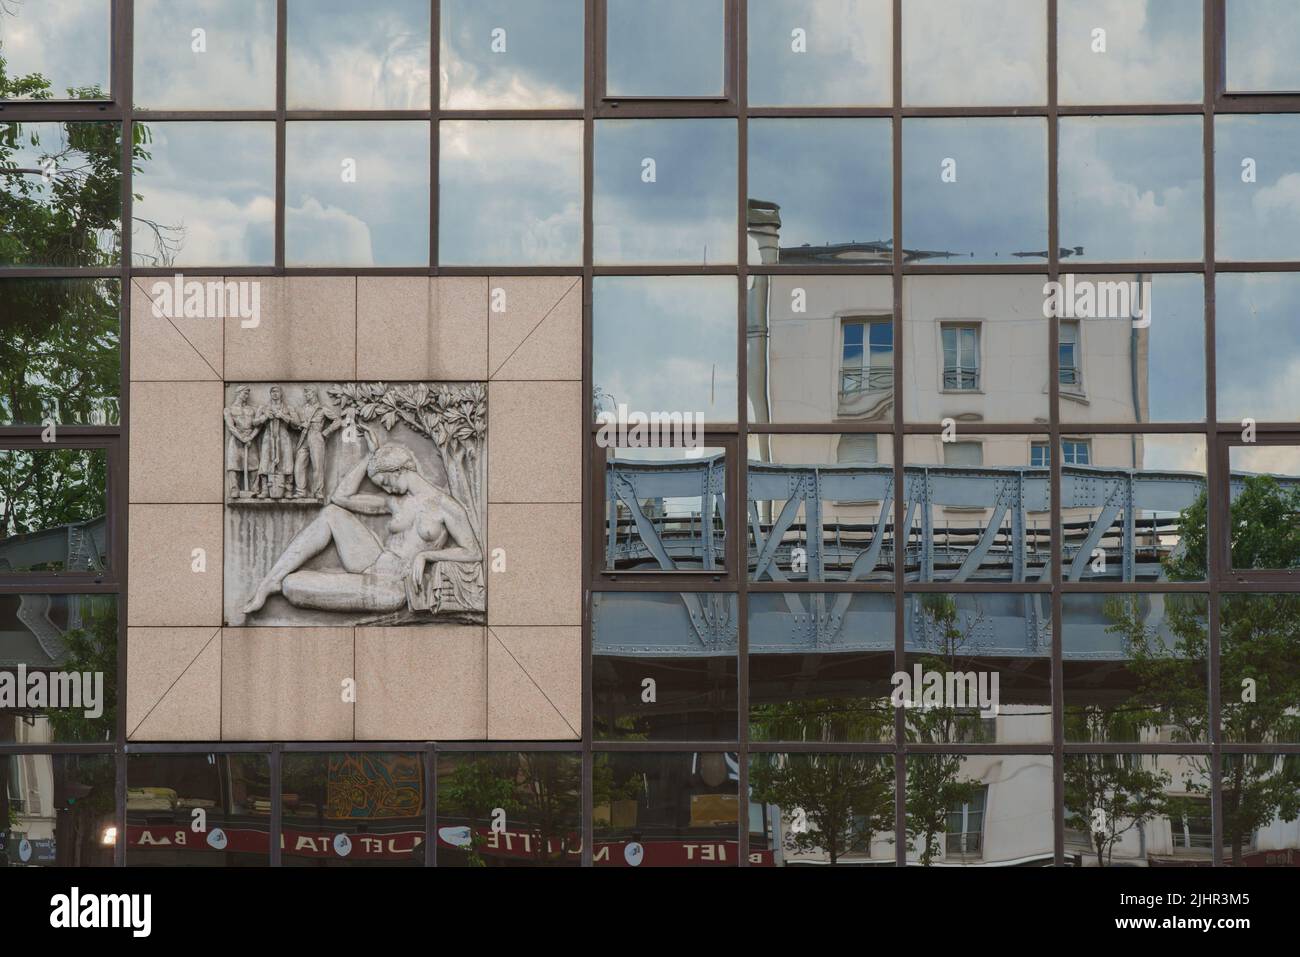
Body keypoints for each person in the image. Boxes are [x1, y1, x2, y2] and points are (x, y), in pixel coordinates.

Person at [241, 425, 481, 616]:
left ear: (399, 470)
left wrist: (426, 556)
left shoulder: (445, 506)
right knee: (331, 514)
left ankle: (292, 584)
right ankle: (268, 583)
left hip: (393, 585)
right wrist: (370, 457)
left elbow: (473, 552)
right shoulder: (395, 503)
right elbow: (340, 498)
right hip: (373, 561)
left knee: (292, 586)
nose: (387, 489)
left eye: (385, 482)